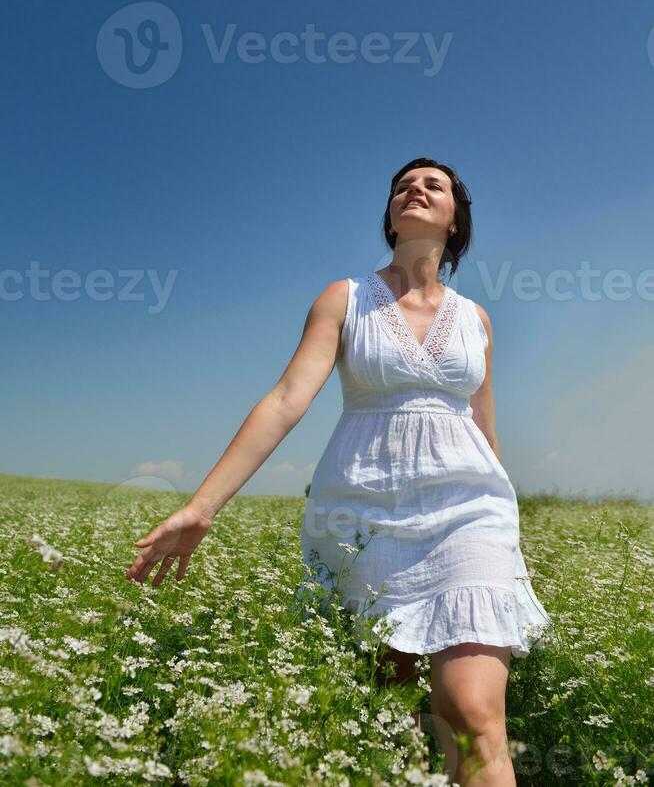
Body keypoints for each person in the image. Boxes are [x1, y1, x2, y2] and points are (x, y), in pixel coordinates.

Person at [125, 156, 554, 786]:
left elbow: (484, 432)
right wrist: (201, 507)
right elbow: (284, 400)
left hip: (469, 514)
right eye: (402, 186)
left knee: (471, 710)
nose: (415, 190)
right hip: (363, 513)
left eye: (433, 186)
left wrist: (507, 537)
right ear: (389, 213)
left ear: (456, 218)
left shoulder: (477, 321)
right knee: (388, 711)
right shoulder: (344, 298)